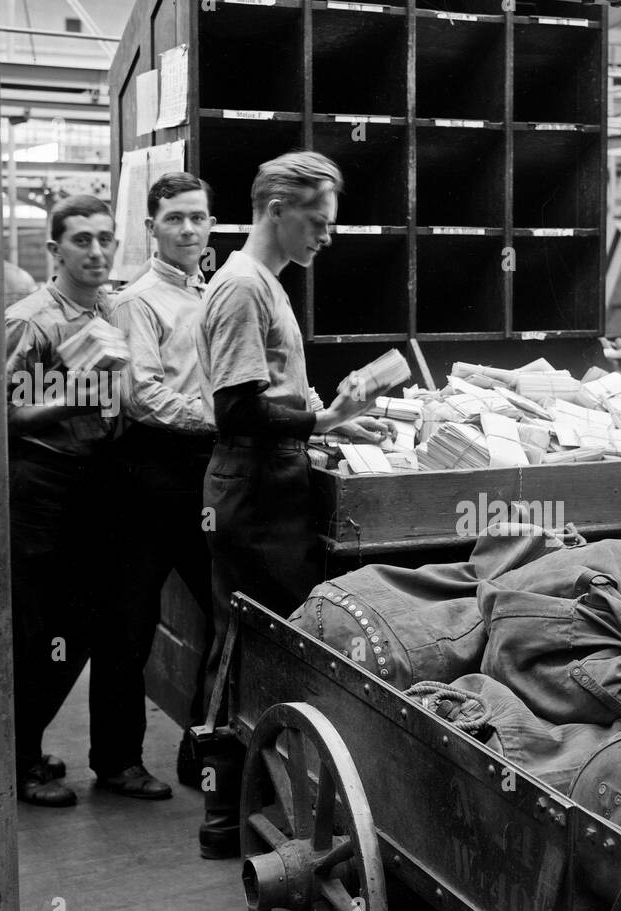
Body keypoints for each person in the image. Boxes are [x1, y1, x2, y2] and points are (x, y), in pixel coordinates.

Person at [194, 150, 386, 858]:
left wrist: (320, 413)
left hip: (269, 480)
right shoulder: (244, 287)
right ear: (276, 209)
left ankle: (243, 802)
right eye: (319, 221)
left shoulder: (263, 284)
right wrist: (324, 422)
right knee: (247, 641)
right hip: (255, 488)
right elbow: (236, 409)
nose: (327, 236)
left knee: (254, 640)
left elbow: (262, 394)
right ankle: (224, 814)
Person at [5, 194, 170, 807]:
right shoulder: (32, 320)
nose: (98, 251)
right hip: (46, 489)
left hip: (105, 483)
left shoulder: (113, 307)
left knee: (116, 627)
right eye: (82, 240)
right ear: (55, 250)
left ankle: (118, 761)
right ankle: (18, 762)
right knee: (47, 632)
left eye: (106, 238)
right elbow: (4, 416)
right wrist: (72, 398)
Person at [93, 173, 217, 795]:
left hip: (201, 472)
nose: (189, 229)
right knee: (128, 624)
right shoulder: (136, 300)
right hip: (147, 471)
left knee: (226, 612)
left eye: (198, 217)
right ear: (151, 228)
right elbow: (141, 396)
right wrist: (222, 417)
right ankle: (116, 762)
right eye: (175, 219)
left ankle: (203, 751)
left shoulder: (209, 293)